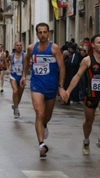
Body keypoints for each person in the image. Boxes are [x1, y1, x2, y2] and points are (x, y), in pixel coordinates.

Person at [63, 33, 100, 155]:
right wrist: (68, 91)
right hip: (90, 95)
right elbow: (77, 76)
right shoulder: (87, 60)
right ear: (92, 45)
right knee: (89, 121)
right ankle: (86, 141)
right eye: (99, 42)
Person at [20, 22, 67, 158]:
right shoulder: (31, 48)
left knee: (47, 116)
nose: (42, 35)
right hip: (36, 85)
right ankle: (41, 144)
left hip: (51, 86)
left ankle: (44, 124)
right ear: (37, 34)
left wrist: (61, 86)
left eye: (45, 32)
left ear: (49, 33)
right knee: (39, 113)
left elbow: (62, 68)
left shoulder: (54, 49)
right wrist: (23, 75)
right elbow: (26, 60)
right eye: (40, 32)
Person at [9, 41, 25, 119]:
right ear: (15, 46)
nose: (19, 46)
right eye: (17, 45)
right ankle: (16, 109)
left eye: (20, 45)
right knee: (15, 91)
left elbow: (26, 66)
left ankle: (15, 106)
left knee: (19, 94)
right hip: (13, 76)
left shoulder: (24, 56)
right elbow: (6, 60)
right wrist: (8, 69)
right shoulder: (11, 56)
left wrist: (24, 75)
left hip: (21, 76)